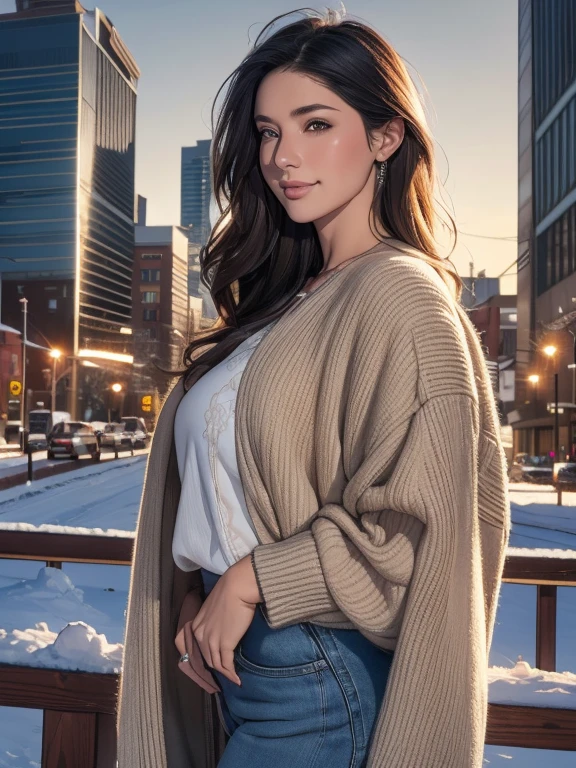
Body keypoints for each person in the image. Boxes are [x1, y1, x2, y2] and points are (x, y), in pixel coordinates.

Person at [117, 7, 510, 767]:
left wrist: (255, 579)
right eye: (268, 132)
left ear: (386, 136)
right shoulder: (287, 302)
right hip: (247, 668)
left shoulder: (400, 295)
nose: (282, 156)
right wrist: (202, 595)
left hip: (320, 679)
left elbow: (411, 534)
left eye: (316, 124)